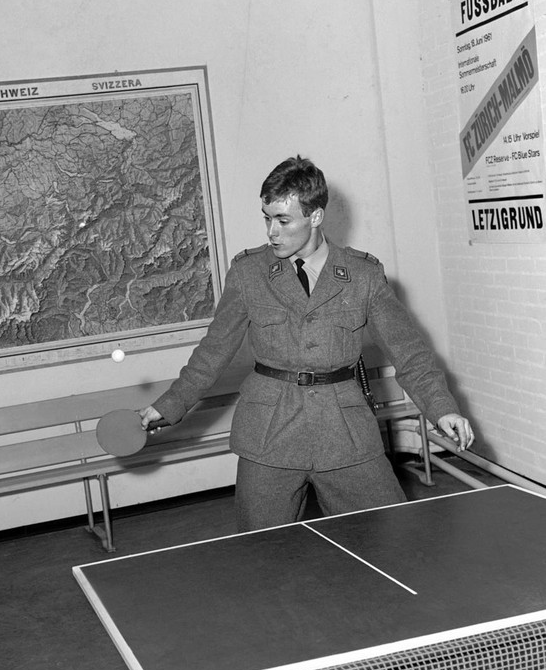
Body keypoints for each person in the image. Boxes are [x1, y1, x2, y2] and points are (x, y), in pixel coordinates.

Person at [139, 156, 474, 531]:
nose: (272, 232)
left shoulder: (363, 275)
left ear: (315, 217)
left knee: (391, 537)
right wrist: (168, 405)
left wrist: (442, 408)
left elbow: (409, 352)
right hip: (268, 434)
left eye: (283, 220)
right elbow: (213, 352)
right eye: (267, 218)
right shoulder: (249, 273)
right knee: (263, 554)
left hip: (344, 433)